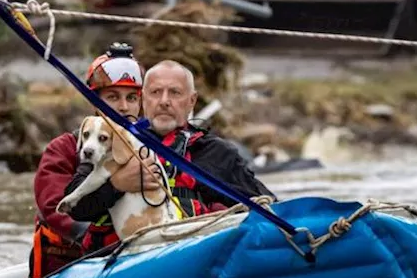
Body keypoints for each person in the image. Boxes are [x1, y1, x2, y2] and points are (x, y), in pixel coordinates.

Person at [60, 60, 275, 248]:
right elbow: (77, 209)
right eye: (155, 92)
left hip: (187, 250)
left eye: (175, 92)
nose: (164, 101)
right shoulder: (115, 143)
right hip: (123, 259)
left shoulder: (217, 153)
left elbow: (267, 205)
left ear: (192, 101)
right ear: (144, 99)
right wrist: (117, 185)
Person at [29, 43, 161, 278]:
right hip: (73, 265)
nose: (123, 106)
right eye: (112, 97)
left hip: (141, 254)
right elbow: (54, 207)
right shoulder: (64, 149)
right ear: (94, 102)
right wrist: (115, 187)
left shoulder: (154, 148)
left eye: (132, 97)